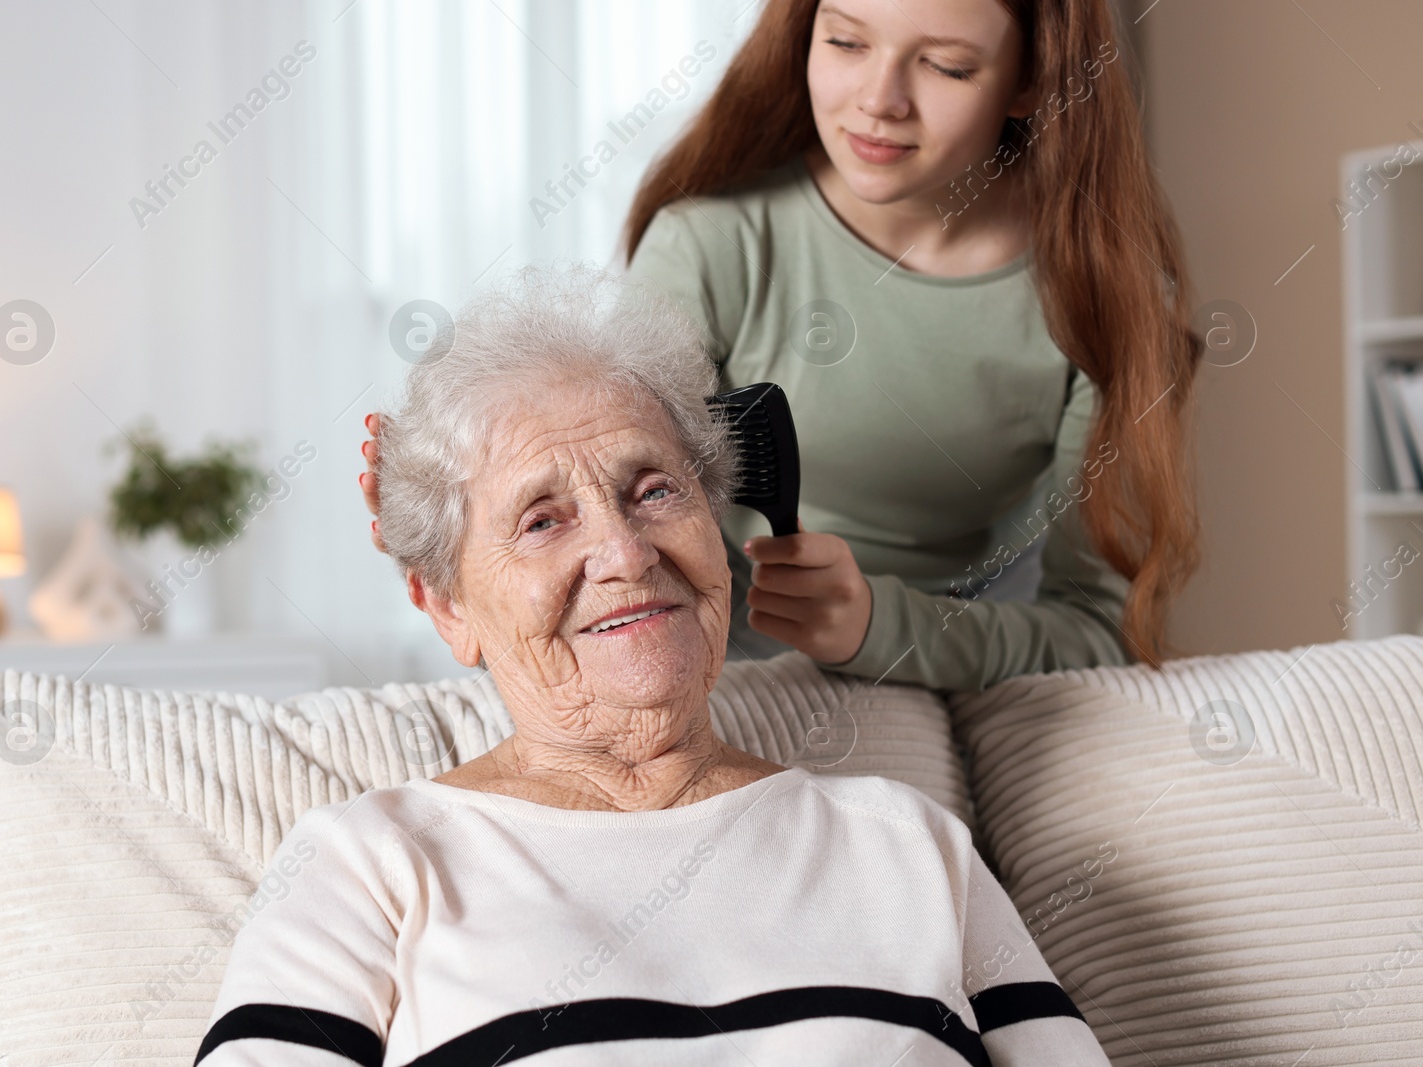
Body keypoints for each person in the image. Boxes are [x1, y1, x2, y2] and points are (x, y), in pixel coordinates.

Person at [196, 265, 1112, 1065]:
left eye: (655, 489)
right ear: (448, 606)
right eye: (543, 518)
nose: (627, 553)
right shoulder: (372, 866)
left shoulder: (908, 845)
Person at [359, 0, 1203, 693]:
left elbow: (1099, 632)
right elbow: (600, 505)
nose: (879, 100)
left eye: (945, 65)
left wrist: (878, 626)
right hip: (709, 661)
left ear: (1030, 80)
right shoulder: (711, 245)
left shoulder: (1112, 301)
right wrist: (440, 515)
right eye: (844, 40)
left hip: (965, 657)